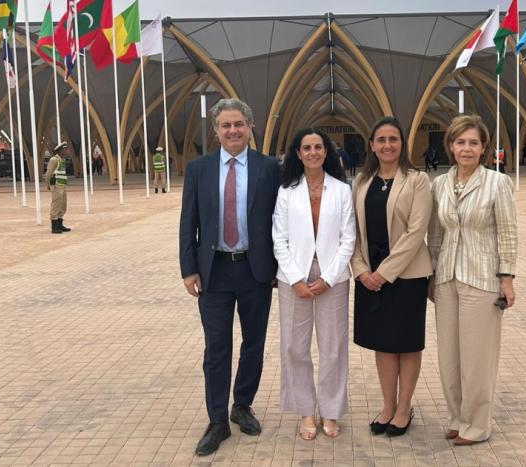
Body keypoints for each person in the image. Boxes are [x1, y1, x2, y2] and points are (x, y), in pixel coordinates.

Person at [179, 98, 280, 456]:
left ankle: (242, 405)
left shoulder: (269, 167)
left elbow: (279, 220)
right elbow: (188, 221)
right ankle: (217, 419)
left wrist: (280, 267)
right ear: (216, 131)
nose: (233, 130)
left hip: (256, 270)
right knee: (216, 346)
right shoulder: (199, 169)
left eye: (239, 124)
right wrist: (188, 268)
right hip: (214, 271)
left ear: (250, 127)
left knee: (254, 343)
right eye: (226, 125)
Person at [427, 114, 517, 446]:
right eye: (460, 142)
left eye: (473, 143)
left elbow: (508, 233)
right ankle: (457, 418)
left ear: (484, 149)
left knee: (477, 357)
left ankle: (477, 425)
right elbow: (434, 235)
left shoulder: (497, 183)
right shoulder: (439, 184)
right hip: (447, 277)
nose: (467, 148)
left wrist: (506, 278)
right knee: (449, 356)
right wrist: (433, 276)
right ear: (450, 146)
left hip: (482, 278)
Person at [351, 116, 433, 437]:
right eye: (381, 140)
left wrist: (384, 273)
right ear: (372, 145)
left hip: (407, 277)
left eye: (393, 139)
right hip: (368, 277)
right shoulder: (360, 182)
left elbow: (416, 233)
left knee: (407, 344)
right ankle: (387, 405)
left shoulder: (417, 180)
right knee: (383, 344)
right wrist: (360, 271)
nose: (387, 145)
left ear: (402, 144)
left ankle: (404, 408)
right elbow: (353, 233)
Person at [272, 128, 356, 441]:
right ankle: (305, 410)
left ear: (326, 151)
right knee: (295, 347)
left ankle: (331, 411)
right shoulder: (286, 190)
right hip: (293, 276)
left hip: (333, 276)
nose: (312, 153)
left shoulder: (341, 189)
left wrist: (329, 277)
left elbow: (349, 238)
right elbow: (278, 238)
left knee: (333, 347)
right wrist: (295, 278)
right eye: (306, 148)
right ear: (297, 153)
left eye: (318, 147)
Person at [44, 142, 72, 234]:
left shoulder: (62, 160)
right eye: (66, 149)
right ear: (61, 150)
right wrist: (48, 184)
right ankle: (54, 226)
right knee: (56, 205)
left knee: (63, 205)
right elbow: (48, 173)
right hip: (56, 185)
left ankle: (60, 223)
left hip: (63, 185)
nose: (67, 151)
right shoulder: (54, 160)